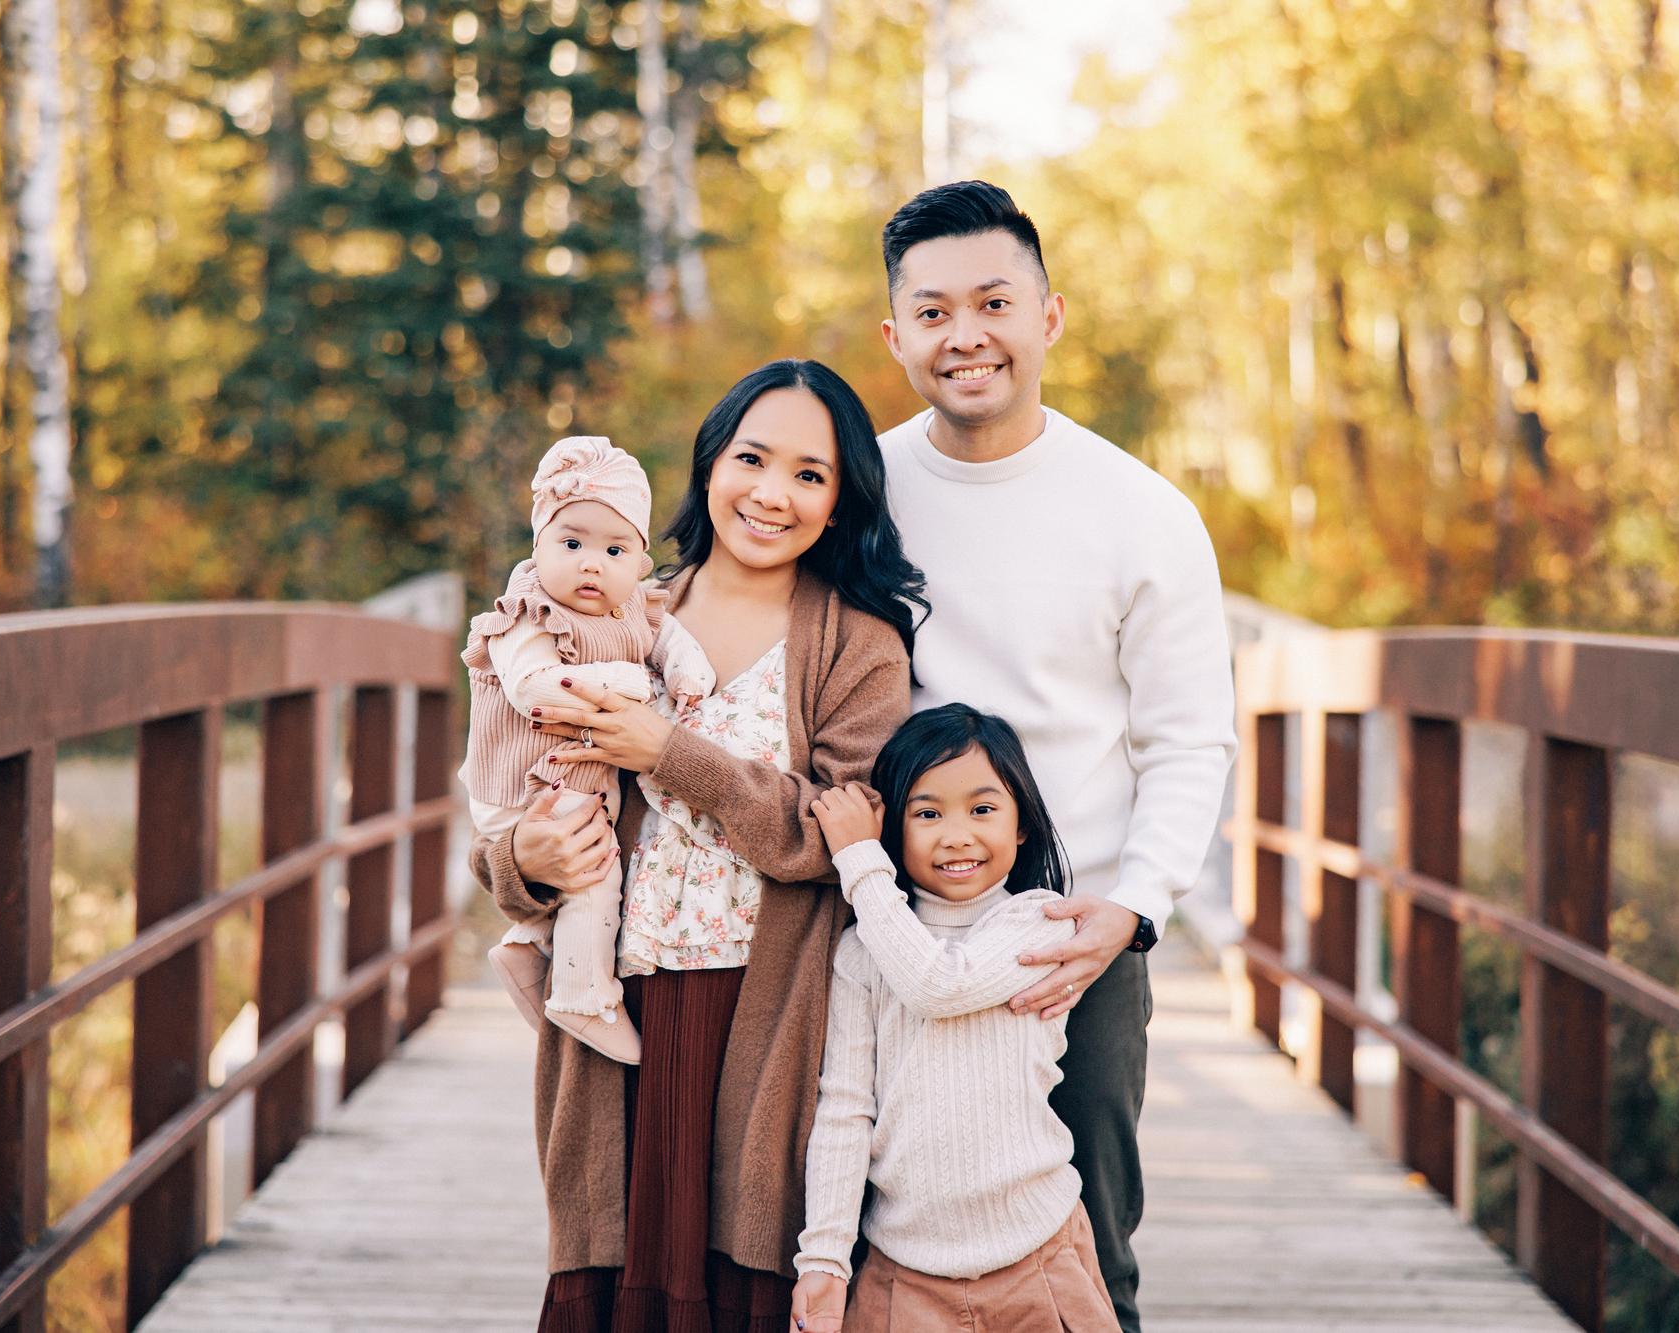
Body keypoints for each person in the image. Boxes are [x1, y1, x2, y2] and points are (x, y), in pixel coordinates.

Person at [467, 359, 929, 1329]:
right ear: (708, 463)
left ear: (842, 501)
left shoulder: (858, 646)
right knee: (617, 1267)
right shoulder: (616, 615)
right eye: (750, 458)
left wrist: (668, 751)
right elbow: (509, 811)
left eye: (809, 473)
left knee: (739, 1276)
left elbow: (831, 835)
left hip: (765, 1010)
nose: (771, 492)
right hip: (617, 1009)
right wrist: (530, 864)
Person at [873, 180, 1238, 1330]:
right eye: (932, 312)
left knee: (1084, 1250)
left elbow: (1189, 735)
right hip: (882, 930)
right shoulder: (859, 491)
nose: (964, 335)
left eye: (992, 302)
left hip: (1070, 941)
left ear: (1048, 318)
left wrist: (1132, 908)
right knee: (866, 1231)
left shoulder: (1141, 512)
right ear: (894, 337)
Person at [792, 705, 1122, 1333]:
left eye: (982, 809)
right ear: (897, 827)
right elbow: (845, 1110)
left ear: (1022, 823)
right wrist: (825, 1260)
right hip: (906, 1270)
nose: (956, 835)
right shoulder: (863, 953)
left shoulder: (1040, 921)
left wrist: (859, 861)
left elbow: (938, 984)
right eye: (927, 813)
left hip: (1039, 1253)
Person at [458, 435, 716, 1064]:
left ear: (639, 558)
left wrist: (686, 672)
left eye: (614, 549)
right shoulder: (525, 612)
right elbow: (533, 688)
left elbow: (671, 639)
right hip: (520, 783)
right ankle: (582, 995)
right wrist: (637, 684)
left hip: (572, 779)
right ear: (539, 546)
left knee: (590, 867)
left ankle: (529, 948)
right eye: (570, 544)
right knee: (595, 875)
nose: (591, 565)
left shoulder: (637, 605)